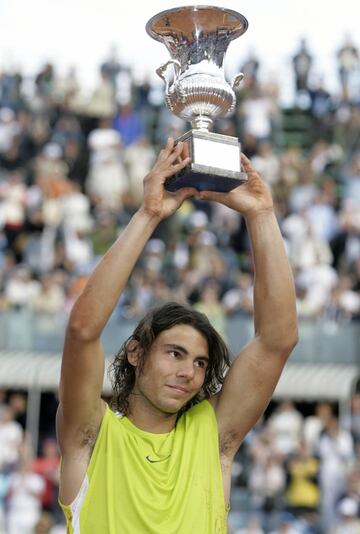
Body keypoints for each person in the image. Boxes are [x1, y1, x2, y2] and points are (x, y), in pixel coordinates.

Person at [56, 138, 298, 533]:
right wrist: (149, 214)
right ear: (136, 353)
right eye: (175, 353)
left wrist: (261, 213)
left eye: (200, 362)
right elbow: (82, 330)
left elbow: (278, 339)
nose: (189, 371)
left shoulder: (214, 433)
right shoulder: (92, 432)